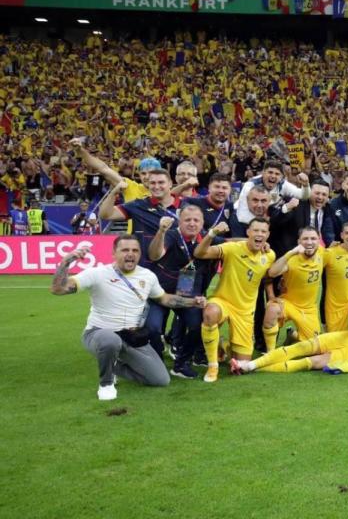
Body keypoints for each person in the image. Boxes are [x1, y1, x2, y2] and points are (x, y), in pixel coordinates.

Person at [49, 235, 205, 400]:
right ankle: (106, 384)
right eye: (125, 250)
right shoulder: (97, 273)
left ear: (139, 254)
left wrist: (193, 302)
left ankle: (113, 365)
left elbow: (164, 298)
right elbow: (58, 289)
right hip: (99, 333)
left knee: (161, 380)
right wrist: (66, 261)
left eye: (135, 250)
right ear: (113, 253)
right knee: (110, 340)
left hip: (131, 337)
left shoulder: (148, 276)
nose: (130, 254)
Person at [194, 218, 277, 382]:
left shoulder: (269, 255)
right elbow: (200, 253)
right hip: (223, 301)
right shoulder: (232, 248)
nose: (259, 234)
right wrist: (212, 233)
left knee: (243, 365)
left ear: (268, 235)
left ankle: (223, 345)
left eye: (263, 231)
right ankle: (212, 366)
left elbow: (267, 278)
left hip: (245, 311)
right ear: (248, 233)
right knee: (210, 313)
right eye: (256, 230)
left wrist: (272, 297)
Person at [147, 206, 222, 374]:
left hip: (188, 293)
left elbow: (232, 244)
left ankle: (181, 363)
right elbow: (154, 255)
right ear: (179, 222)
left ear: (203, 223)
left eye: (196, 220)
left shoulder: (207, 239)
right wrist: (161, 232)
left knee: (198, 325)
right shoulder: (172, 235)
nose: (192, 223)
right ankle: (156, 364)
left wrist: (254, 241)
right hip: (160, 292)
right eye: (187, 220)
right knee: (152, 328)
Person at [98, 168, 181, 266]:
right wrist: (114, 192)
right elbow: (105, 214)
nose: (156, 186)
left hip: (175, 271)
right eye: (152, 183)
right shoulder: (138, 205)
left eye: (161, 182)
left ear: (170, 183)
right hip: (144, 271)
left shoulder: (186, 207)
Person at [264, 227, 326, 349]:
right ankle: (270, 353)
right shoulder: (291, 259)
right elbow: (271, 273)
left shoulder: (323, 253)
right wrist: (291, 253)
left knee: (313, 348)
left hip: (309, 309)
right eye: (305, 239)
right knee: (272, 309)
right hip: (288, 304)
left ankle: (293, 336)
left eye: (313, 238)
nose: (309, 242)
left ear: (319, 240)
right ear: (299, 241)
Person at [268, 179, 333, 256]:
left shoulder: (327, 209)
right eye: (317, 193)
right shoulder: (296, 203)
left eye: (324, 194)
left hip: (312, 255)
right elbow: (274, 221)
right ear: (309, 193)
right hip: (289, 254)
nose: (320, 197)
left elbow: (327, 231)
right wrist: (286, 208)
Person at [234, 161, 310, 225]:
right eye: (270, 172)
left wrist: (306, 185)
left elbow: (303, 196)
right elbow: (242, 216)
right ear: (263, 173)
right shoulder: (250, 185)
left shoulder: (283, 185)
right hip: (243, 219)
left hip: (265, 217)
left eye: (277, 174)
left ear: (281, 176)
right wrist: (264, 222)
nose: (273, 176)